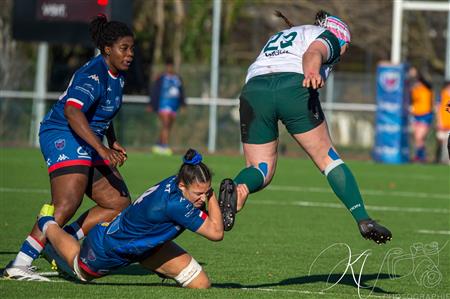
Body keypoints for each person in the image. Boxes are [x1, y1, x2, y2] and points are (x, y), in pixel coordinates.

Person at [218, 10, 392, 244]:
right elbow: (313, 52)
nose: (344, 52)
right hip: (293, 86)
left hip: (253, 90)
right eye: (346, 46)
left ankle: (238, 191)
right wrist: (311, 71)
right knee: (328, 158)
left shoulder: (283, 35)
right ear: (339, 36)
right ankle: (363, 218)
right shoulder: (328, 36)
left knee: (260, 168)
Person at [3, 15, 134, 281]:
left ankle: (58, 243)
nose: (130, 54)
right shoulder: (92, 74)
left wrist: (112, 140)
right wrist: (102, 148)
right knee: (67, 201)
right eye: (124, 48)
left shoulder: (118, 75)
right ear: (107, 49)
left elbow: (100, 111)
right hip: (62, 131)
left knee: (117, 203)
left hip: (88, 138)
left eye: (132, 48)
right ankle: (20, 264)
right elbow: (74, 113)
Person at [36, 149, 223, 288]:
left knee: (200, 284)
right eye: (200, 193)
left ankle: (154, 264)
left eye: (206, 192)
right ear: (182, 185)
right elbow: (216, 233)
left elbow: (208, 217)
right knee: (80, 270)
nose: (203, 198)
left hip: (146, 245)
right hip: (109, 246)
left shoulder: (177, 183)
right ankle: (47, 224)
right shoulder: (175, 205)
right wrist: (213, 195)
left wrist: (212, 200)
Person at [148, 58, 186, 156]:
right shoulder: (161, 78)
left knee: (168, 126)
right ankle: (164, 146)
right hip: (163, 105)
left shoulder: (177, 78)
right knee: (165, 124)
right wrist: (152, 104)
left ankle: (158, 144)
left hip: (174, 107)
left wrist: (183, 104)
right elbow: (155, 91)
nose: (169, 68)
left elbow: (181, 92)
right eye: (168, 66)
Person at [408, 67, 434, 162]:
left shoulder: (427, 87)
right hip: (416, 115)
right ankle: (421, 157)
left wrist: (416, 74)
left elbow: (424, 81)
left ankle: (420, 157)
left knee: (419, 137)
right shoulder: (413, 88)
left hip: (426, 114)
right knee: (417, 139)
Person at [435, 81, 450, 163]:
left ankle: (447, 160)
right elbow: (438, 109)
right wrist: (439, 121)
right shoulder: (442, 95)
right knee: (441, 140)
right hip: (443, 123)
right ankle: (440, 159)